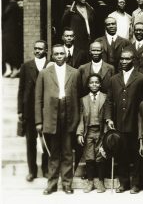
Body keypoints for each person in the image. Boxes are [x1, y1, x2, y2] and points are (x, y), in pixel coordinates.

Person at [35, 44, 80, 195]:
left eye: (62, 53)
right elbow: (38, 99)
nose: (59, 56)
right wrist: (39, 121)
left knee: (67, 151)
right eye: (56, 54)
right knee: (53, 152)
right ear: (52, 56)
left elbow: (78, 97)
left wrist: (77, 119)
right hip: (51, 115)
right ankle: (52, 184)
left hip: (68, 114)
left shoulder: (75, 73)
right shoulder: (44, 73)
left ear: (65, 55)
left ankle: (67, 183)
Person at [105, 49, 143, 193]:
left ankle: (136, 183)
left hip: (135, 122)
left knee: (136, 154)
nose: (123, 61)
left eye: (127, 59)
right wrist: (109, 117)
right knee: (121, 153)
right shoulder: (114, 79)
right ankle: (124, 183)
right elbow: (109, 100)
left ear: (133, 60)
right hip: (119, 123)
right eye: (122, 59)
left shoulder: (141, 78)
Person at [18, 40, 49, 181]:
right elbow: (21, 89)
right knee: (31, 141)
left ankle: (46, 169)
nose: (37, 51)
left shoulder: (51, 65)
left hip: (46, 109)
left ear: (46, 50)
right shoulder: (26, 66)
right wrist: (20, 110)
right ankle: (32, 171)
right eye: (35, 48)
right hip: (29, 110)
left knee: (46, 141)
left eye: (40, 49)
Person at [76, 73, 107, 193]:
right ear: (88, 85)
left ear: (100, 84)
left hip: (101, 131)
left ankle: (100, 181)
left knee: (100, 156)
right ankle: (90, 182)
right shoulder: (83, 99)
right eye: (91, 82)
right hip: (88, 131)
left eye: (96, 82)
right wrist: (80, 133)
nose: (94, 84)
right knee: (89, 157)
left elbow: (108, 116)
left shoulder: (105, 97)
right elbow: (80, 119)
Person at [2, 0, 23, 77]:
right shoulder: (13, 5)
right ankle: (12, 68)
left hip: (10, 31)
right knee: (9, 49)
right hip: (10, 31)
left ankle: (11, 69)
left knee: (9, 49)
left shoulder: (12, 5)